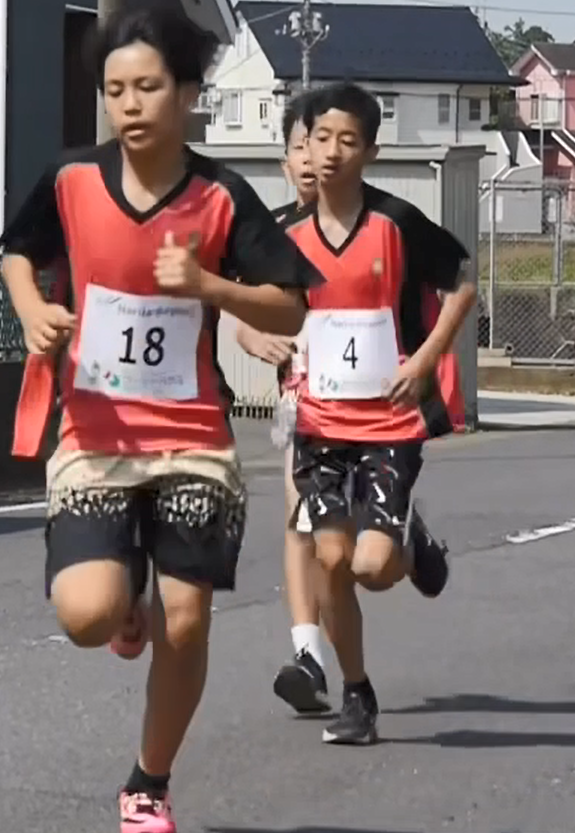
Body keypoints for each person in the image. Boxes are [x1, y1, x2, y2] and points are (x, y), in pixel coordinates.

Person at [0, 7, 320, 833]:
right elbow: (18, 252)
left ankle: (149, 782)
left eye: (148, 87)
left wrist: (211, 288)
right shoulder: (71, 180)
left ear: (185, 94)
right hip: (95, 437)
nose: (130, 105)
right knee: (88, 615)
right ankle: (123, 597)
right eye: (114, 91)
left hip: (191, 437)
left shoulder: (221, 196)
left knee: (190, 617)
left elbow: (288, 308)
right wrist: (34, 307)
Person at [287, 81, 474, 746]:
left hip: (389, 424)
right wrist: (262, 337)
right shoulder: (287, 235)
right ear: (303, 144)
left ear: (369, 149)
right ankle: (358, 694)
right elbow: (256, 306)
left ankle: (408, 538)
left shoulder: (395, 222)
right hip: (319, 425)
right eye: (321, 138)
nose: (331, 153)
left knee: (370, 567)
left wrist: (425, 359)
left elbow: (462, 281)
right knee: (333, 562)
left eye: (348, 140)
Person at [233, 95, 336, 715]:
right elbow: (243, 315)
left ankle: (405, 534)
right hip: (300, 406)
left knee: (353, 548)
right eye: (298, 146)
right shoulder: (271, 238)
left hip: (371, 416)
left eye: (320, 144)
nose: (308, 159)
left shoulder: (376, 226)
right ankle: (308, 657)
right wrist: (257, 336)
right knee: (302, 524)